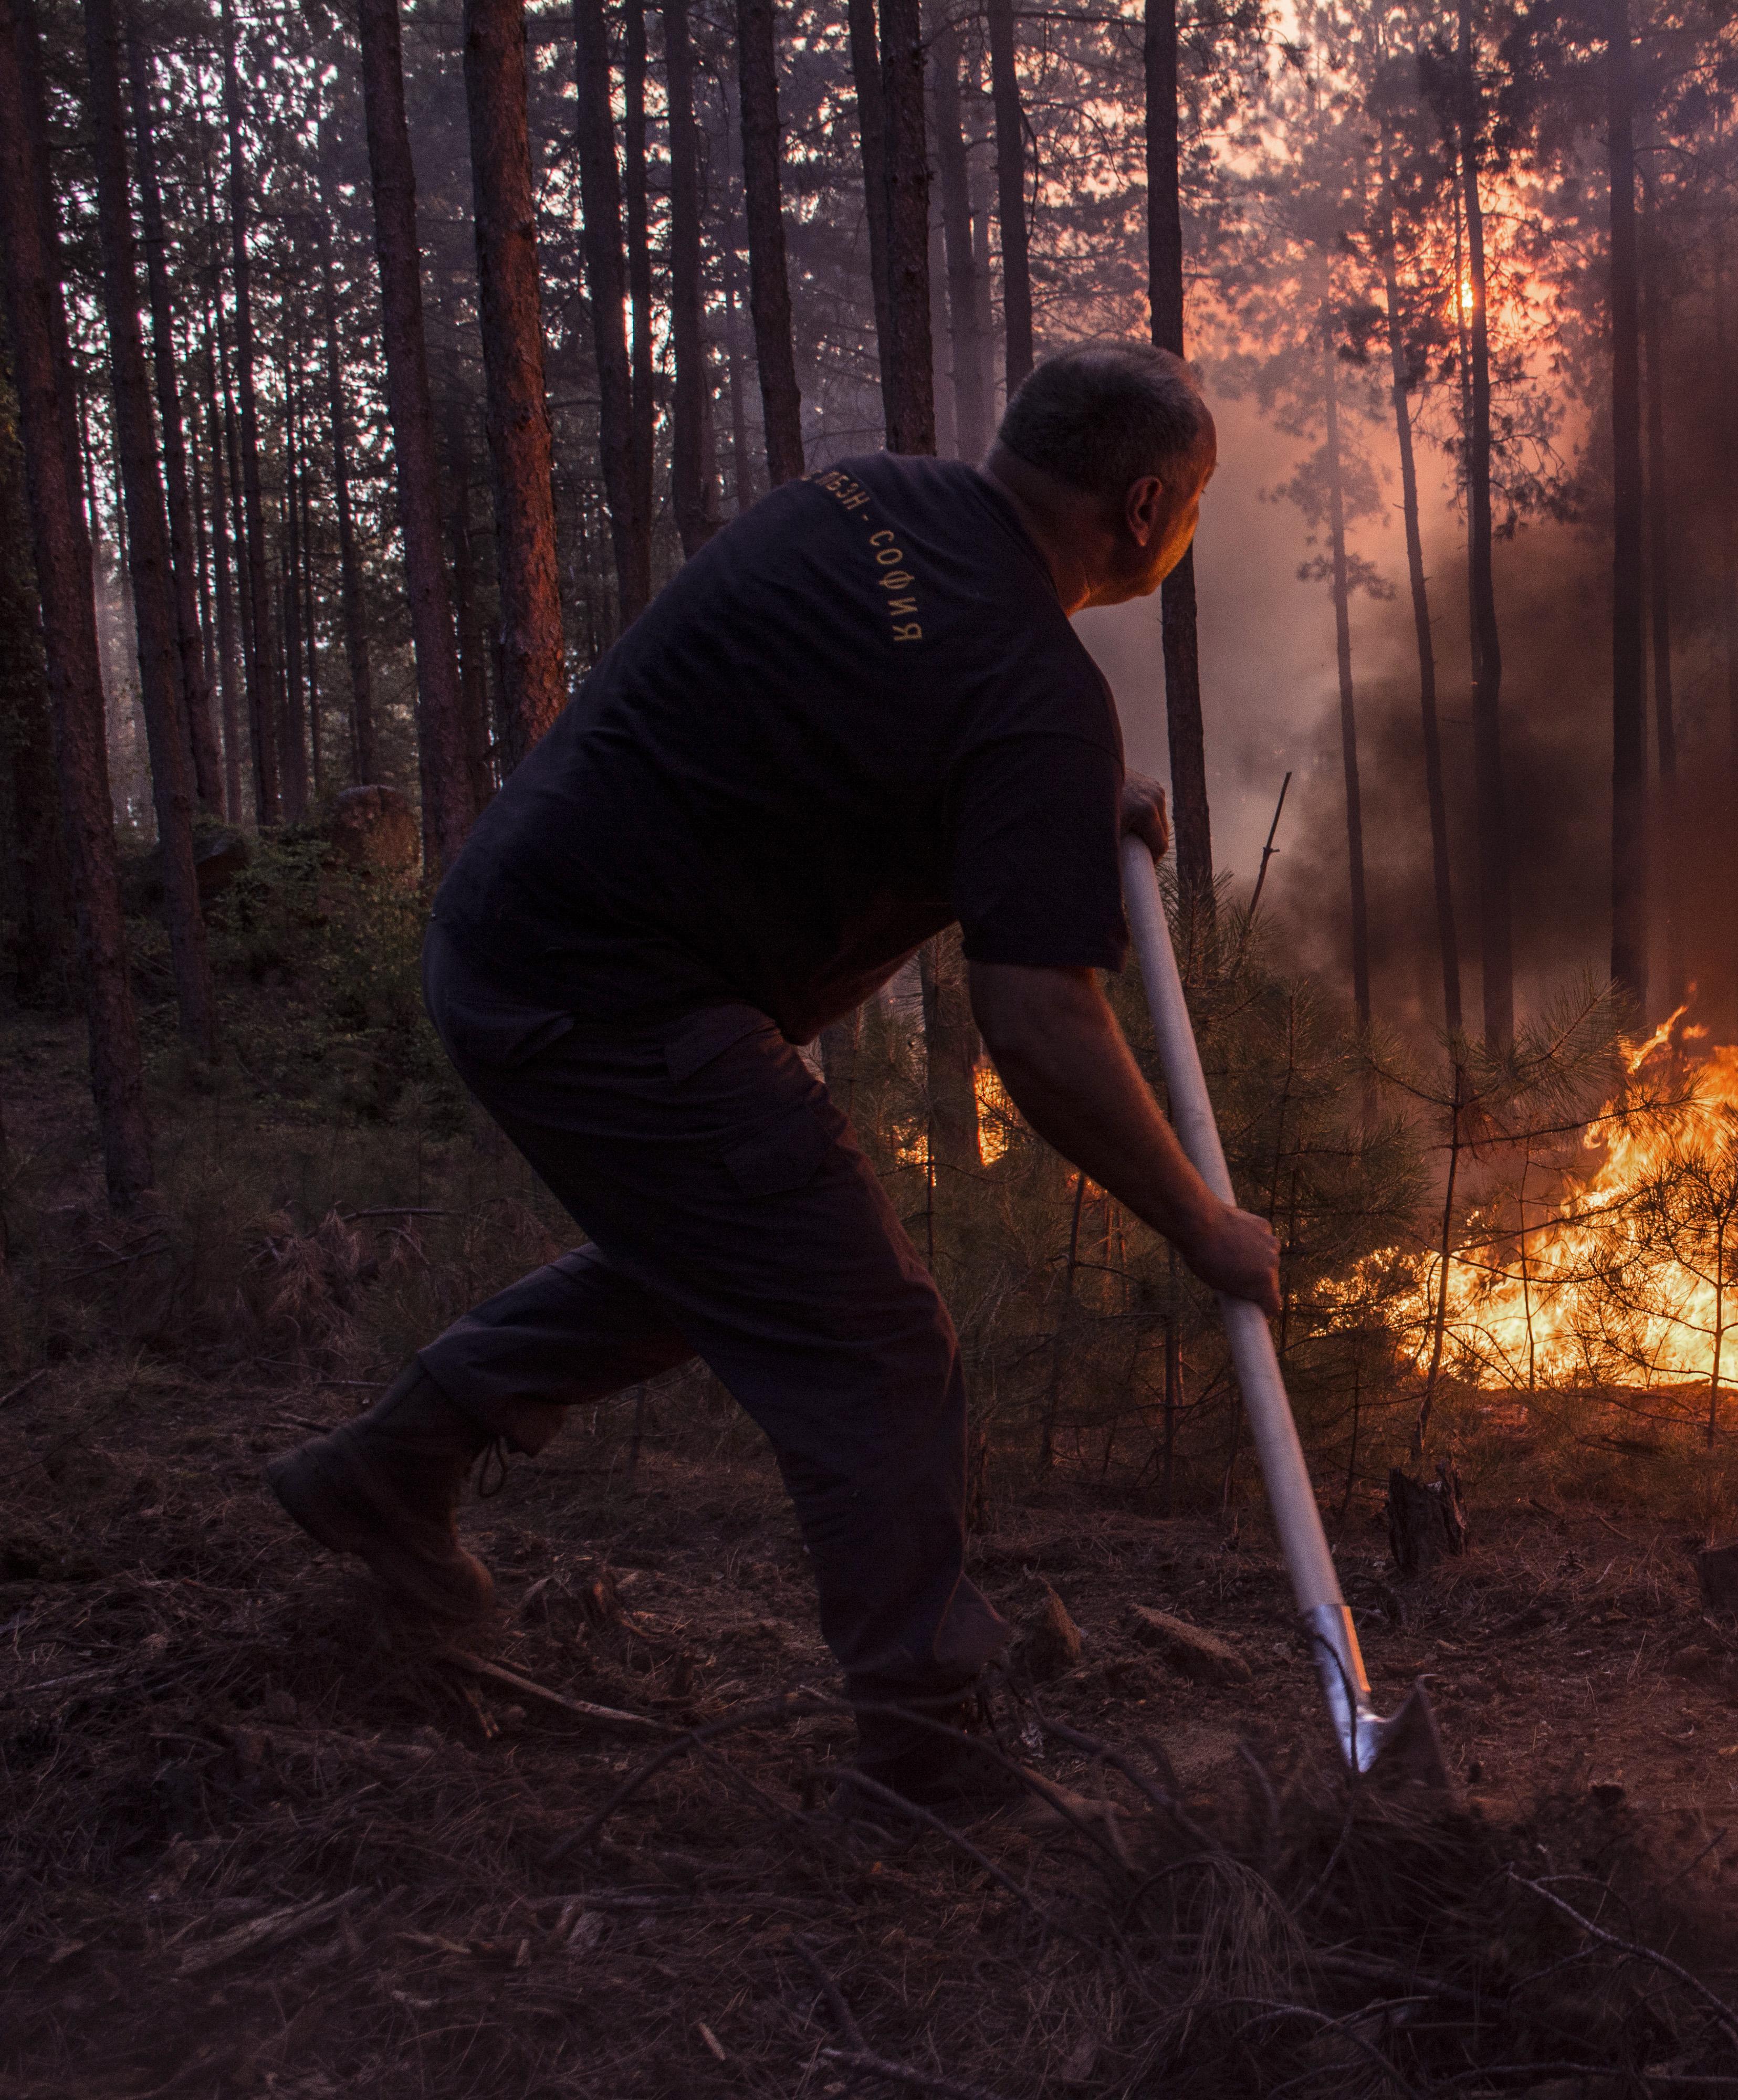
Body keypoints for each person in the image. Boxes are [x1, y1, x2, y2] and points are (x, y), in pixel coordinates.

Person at [265, 340, 1279, 1814]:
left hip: (509, 938)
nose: (1187, 536)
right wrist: (1201, 1222)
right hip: (611, 1004)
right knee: (874, 1342)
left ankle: (381, 1471)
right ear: (1142, 507)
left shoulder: (863, 501)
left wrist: (1058, 805)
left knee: (722, 1254)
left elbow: (864, 715)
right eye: (1192, 512)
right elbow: (1041, 1032)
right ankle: (934, 1752)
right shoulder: (1027, 685)